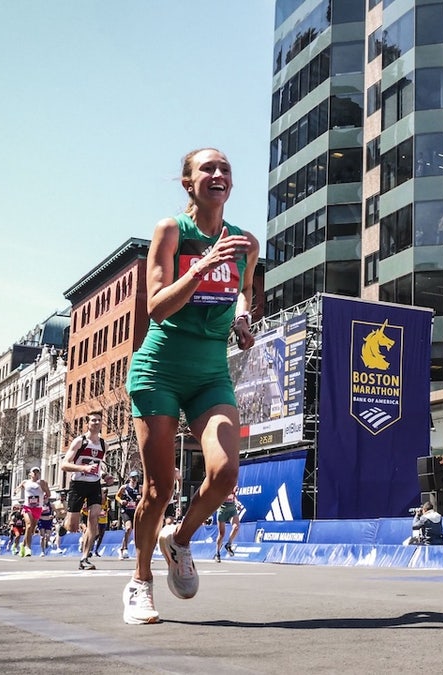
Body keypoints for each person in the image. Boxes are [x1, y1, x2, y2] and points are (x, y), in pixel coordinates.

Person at [121, 148, 259, 625]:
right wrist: (200, 266)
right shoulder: (171, 232)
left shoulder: (245, 242)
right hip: (159, 369)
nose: (218, 174)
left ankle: (178, 541)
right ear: (188, 183)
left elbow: (243, 288)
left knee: (224, 474)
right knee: (159, 488)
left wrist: (242, 319)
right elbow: (156, 307)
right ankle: (140, 582)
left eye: (225, 169)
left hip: (208, 373)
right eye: (208, 168)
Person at [62, 410, 108, 571]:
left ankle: (85, 558)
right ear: (87, 424)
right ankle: (64, 523)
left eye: (99, 420)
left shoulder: (104, 444)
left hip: (94, 485)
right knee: (72, 526)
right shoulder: (79, 442)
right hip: (78, 484)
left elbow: (99, 466)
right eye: (93, 420)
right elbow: (64, 465)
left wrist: (105, 475)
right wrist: (83, 468)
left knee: (94, 518)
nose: (96, 423)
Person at [17, 467, 50, 557]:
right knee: (29, 525)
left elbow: (48, 494)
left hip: (38, 507)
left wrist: (44, 491)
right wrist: (16, 491)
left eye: (37, 472)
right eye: (34, 472)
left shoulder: (42, 482)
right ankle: (28, 548)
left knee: (31, 530)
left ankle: (22, 544)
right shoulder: (25, 482)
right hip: (27, 507)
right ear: (30, 474)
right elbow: (17, 489)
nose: (35, 473)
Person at [116, 471, 142, 560]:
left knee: (135, 531)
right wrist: (121, 501)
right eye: (133, 478)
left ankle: (122, 549)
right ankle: (125, 548)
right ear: (130, 478)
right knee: (128, 528)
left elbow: (145, 497)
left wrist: (140, 499)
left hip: (135, 511)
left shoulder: (140, 488)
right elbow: (117, 496)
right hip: (126, 510)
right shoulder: (124, 487)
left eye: (136, 478)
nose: (135, 480)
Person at [213, 485, 242, 562]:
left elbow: (234, 496)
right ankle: (217, 553)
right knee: (222, 534)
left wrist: (237, 503)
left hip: (232, 510)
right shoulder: (222, 483)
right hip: (222, 511)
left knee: (236, 527)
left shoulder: (234, 484)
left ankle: (228, 544)